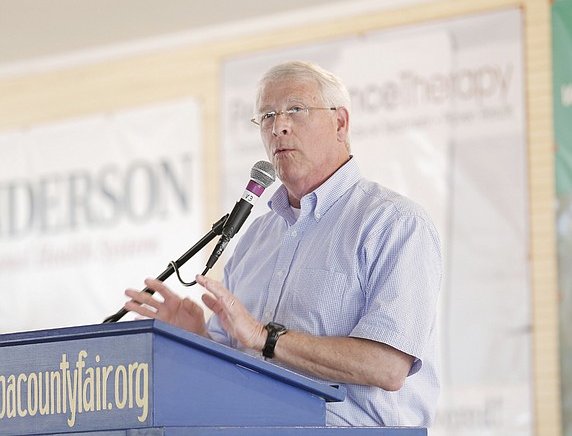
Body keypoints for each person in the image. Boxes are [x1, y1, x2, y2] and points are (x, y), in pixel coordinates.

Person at [125, 61, 442, 427]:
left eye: (295, 109)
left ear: (341, 123)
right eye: (267, 116)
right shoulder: (254, 239)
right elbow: (232, 368)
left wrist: (266, 337)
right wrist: (195, 338)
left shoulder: (395, 224)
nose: (279, 126)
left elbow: (387, 367)